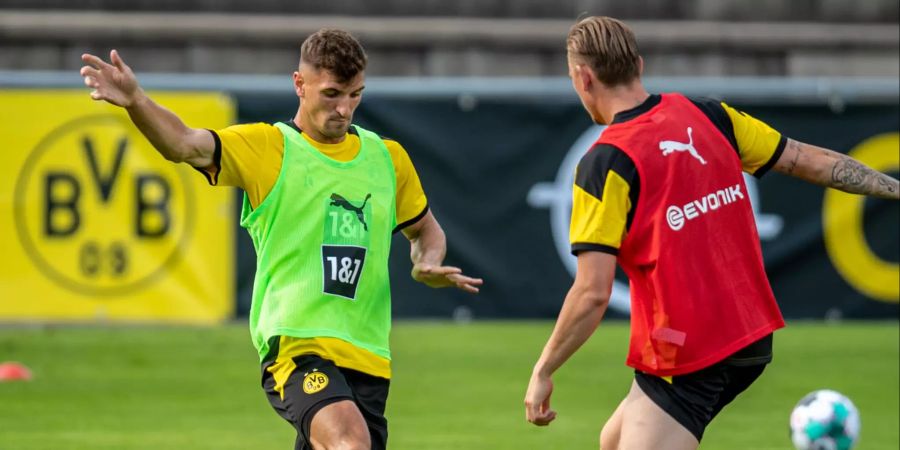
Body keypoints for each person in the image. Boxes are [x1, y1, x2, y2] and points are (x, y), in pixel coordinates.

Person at [81, 28, 482, 450]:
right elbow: (183, 144)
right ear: (299, 84)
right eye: (332, 94)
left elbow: (425, 230)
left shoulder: (388, 158)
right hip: (296, 345)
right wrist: (137, 102)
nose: (344, 109)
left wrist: (426, 261)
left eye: (355, 95)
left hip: (369, 355)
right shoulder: (269, 148)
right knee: (349, 443)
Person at [524, 16, 899, 450]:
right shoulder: (709, 115)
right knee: (612, 442)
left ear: (583, 78)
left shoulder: (605, 162)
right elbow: (805, 159)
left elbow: (592, 293)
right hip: (751, 335)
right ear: (639, 66)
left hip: (690, 352)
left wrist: (543, 369)